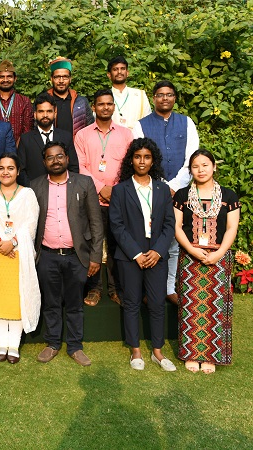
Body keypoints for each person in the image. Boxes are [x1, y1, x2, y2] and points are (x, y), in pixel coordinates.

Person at [31, 142, 103, 366]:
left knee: (74, 304)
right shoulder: (35, 186)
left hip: (76, 256)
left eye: (59, 156)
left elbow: (96, 223)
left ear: (67, 158)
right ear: (44, 162)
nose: (55, 161)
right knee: (51, 302)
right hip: (47, 255)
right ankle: (52, 343)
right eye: (50, 157)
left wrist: (95, 256)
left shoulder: (84, 182)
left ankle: (75, 346)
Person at [109, 138, 177, 372]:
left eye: (147, 157)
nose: (142, 161)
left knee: (157, 303)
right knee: (131, 303)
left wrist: (158, 251)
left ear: (153, 160)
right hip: (130, 256)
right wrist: (136, 254)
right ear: (131, 160)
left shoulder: (162, 189)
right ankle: (135, 350)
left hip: (157, 253)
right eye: (137, 156)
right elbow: (117, 225)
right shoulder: (120, 190)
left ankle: (157, 351)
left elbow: (169, 224)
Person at [133, 80, 200, 304]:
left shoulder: (186, 122)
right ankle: (147, 289)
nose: (165, 98)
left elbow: (192, 158)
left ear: (174, 98)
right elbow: (140, 159)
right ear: (154, 98)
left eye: (169, 94)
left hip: (181, 191)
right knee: (148, 237)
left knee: (174, 240)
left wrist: (174, 186)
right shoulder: (141, 125)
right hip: (150, 189)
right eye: (160, 95)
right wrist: (162, 186)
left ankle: (170, 287)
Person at [173, 149, 240, 374]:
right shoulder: (182, 195)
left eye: (205, 165)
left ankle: (211, 355)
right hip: (190, 257)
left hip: (219, 258)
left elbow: (231, 227)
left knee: (215, 306)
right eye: (195, 166)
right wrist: (192, 249)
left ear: (214, 167)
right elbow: (177, 227)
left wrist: (219, 253)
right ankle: (192, 353)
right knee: (191, 306)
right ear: (190, 170)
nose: (200, 170)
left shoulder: (229, 196)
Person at [0, 153, 40, 364]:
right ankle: (2, 344)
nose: (5, 172)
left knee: (17, 298)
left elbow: (30, 224)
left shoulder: (27, 194)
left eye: (10, 168)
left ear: (18, 171)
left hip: (19, 252)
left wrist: (12, 242)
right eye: (1, 168)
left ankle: (14, 345)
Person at [75, 89, 133, 306]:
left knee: (117, 243)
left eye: (109, 104)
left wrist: (115, 190)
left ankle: (115, 288)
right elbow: (80, 166)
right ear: (93, 107)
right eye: (101, 104)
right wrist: (101, 188)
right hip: (91, 198)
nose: (105, 107)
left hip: (118, 198)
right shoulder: (82, 135)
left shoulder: (126, 134)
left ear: (113, 107)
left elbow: (130, 165)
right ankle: (94, 288)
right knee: (93, 243)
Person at [17, 93, 78, 186]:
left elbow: (73, 166)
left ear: (55, 113)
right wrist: (31, 189)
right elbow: (21, 170)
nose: (45, 115)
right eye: (41, 111)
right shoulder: (26, 139)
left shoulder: (66, 137)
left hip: (63, 189)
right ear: (35, 114)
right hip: (34, 190)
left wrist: (67, 188)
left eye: (49, 111)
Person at [46, 57, 94, 138]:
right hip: (50, 145)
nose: (61, 81)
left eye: (65, 77)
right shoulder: (44, 101)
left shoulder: (81, 102)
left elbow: (91, 129)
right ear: (51, 79)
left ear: (70, 79)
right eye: (57, 77)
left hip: (76, 145)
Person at [0, 59, 34, 143]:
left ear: (15, 78)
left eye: (9, 76)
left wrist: (18, 145)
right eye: (2, 77)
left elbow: (28, 128)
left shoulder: (24, 101)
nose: (5, 80)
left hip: (19, 147)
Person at [107, 56, 151, 129]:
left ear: (127, 73)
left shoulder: (140, 95)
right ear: (109, 75)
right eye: (115, 69)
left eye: (122, 69)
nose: (119, 72)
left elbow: (148, 122)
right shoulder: (104, 97)